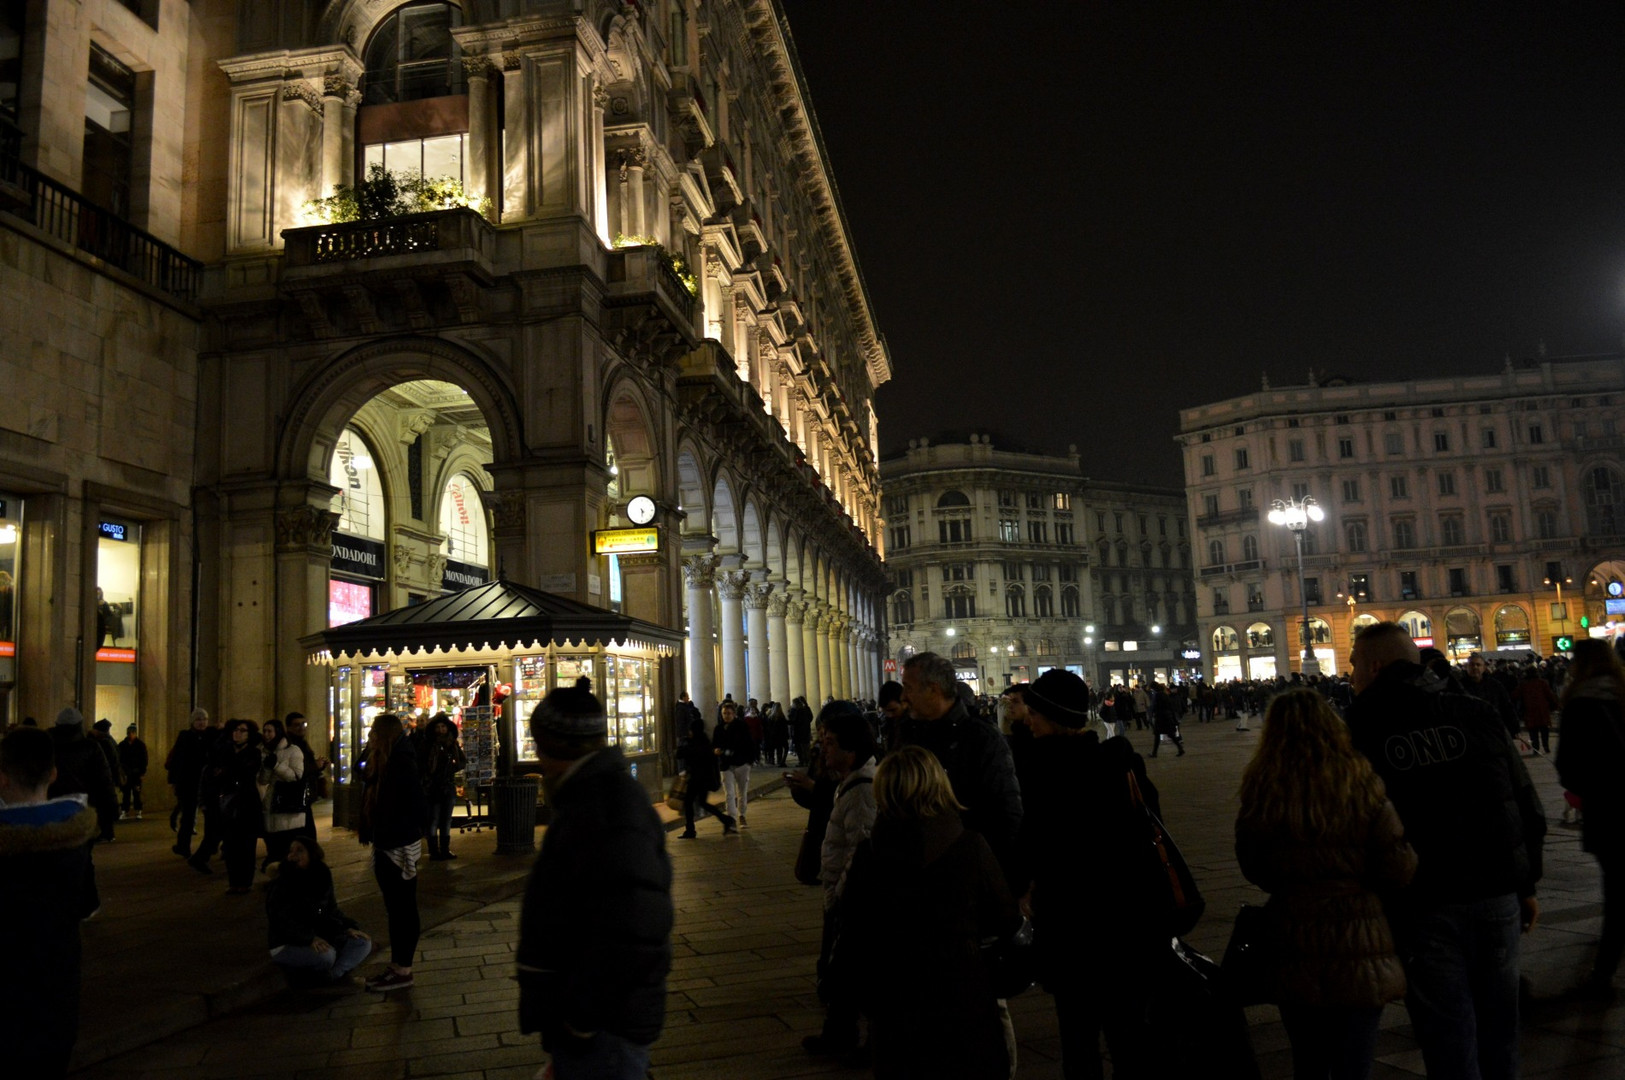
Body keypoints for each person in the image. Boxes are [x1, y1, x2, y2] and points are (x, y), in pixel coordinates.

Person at [1345, 622, 1546, 1080]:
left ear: (1375, 667)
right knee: (1500, 1030)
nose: (1350, 674)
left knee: (1448, 1036)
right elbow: (1525, 802)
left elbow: (1355, 822)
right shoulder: (1474, 709)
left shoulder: (1360, 727)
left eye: (1355, 664)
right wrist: (1527, 883)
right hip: (1497, 895)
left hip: (1422, 902)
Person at [1236, 689, 1417, 1080]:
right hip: (1360, 935)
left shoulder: (1262, 788)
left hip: (1292, 934)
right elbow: (1399, 867)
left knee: (1309, 1063)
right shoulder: (1362, 782)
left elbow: (1254, 867)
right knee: (1355, 1065)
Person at [833, 744, 1022, 1080]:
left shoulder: (869, 856)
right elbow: (1006, 918)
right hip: (965, 994)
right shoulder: (970, 846)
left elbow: (852, 927)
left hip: (895, 1000)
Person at [517, 677, 673, 1079]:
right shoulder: (597, 798)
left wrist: (579, 1022)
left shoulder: (601, 808)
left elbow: (629, 926)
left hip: (602, 1026)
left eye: (539, 744)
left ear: (553, 745)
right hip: (599, 1020)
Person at [1015, 669, 1165, 1079]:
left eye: (1034, 713)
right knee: (1129, 1033)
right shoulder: (1122, 763)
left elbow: (1034, 846)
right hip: (1128, 922)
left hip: (1072, 927)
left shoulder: (1044, 770)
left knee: (1078, 1038)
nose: (1027, 720)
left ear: (1054, 717)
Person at [0, 726, 101, 1079]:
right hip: (57, 995)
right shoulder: (75, 835)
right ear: (54, 773)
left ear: (2, 778)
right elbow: (87, 904)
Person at [898, 652, 1023, 892]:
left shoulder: (981, 739)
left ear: (933, 690)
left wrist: (1007, 885)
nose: (903, 697)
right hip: (917, 877)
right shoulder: (908, 734)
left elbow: (1007, 814)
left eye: (908, 688)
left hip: (967, 878)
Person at [804, 702, 879, 1062]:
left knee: (853, 968)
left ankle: (860, 1039)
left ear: (851, 750)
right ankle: (840, 1032)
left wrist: (839, 893)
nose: (824, 748)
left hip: (851, 896)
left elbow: (860, 848)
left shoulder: (863, 789)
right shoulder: (850, 782)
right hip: (841, 891)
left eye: (831, 742)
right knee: (846, 968)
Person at [1553, 639, 1625, 997]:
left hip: (1609, 809)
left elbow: (1568, 765)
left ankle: (1604, 971)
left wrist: (1586, 791)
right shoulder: (1622, 693)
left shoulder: (1581, 703)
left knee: (1615, 890)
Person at [358, 712, 427, 992]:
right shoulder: (386, 760)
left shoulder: (401, 763)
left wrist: (392, 833)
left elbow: (414, 807)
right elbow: (360, 769)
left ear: (384, 735)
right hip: (389, 842)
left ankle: (402, 969)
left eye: (374, 731)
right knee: (397, 908)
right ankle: (399, 966)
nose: (370, 735)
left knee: (402, 909)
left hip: (397, 845)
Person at [266, 836, 372, 987]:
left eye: (300, 850)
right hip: (287, 943)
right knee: (327, 956)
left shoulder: (321, 876)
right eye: (291, 851)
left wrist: (347, 927)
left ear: (312, 854)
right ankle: (331, 976)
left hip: (319, 935)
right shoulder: (283, 882)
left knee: (362, 943)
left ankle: (331, 977)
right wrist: (309, 939)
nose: (293, 855)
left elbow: (330, 910)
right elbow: (281, 921)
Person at [50, 707, 117, 843]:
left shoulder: (47, 746)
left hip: (53, 806)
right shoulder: (90, 747)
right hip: (83, 806)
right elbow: (104, 780)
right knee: (83, 851)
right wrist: (111, 807)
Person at [214, 719, 265, 894]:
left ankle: (245, 882)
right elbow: (217, 773)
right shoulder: (225, 750)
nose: (238, 733)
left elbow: (245, 771)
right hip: (229, 803)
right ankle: (233, 881)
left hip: (247, 803)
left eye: (243, 730)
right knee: (230, 845)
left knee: (247, 845)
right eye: (236, 730)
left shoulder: (254, 753)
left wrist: (228, 770)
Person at [166, 707, 216, 857]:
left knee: (210, 818)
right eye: (198, 720)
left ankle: (210, 847)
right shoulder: (185, 736)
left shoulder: (211, 735)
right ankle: (183, 847)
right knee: (187, 818)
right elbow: (177, 760)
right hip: (189, 783)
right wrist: (174, 781)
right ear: (192, 722)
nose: (201, 722)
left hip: (206, 784)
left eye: (204, 719)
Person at [258, 717, 306, 870]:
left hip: (287, 803)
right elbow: (263, 780)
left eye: (269, 731)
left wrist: (276, 765)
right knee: (272, 843)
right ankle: (275, 874)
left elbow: (296, 776)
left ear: (278, 732)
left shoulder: (293, 750)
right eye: (264, 731)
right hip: (270, 802)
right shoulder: (264, 751)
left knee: (285, 844)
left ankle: (285, 875)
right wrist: (266, 767)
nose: (266, 734)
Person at [418, 713, 466, 860]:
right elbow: (422, 764)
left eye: (443, 726)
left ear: (447, 728)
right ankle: (434, 851)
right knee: (434, 818)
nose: (440, 730)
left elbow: (461, 762)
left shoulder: (452, 744)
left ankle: (445, 849)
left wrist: (452, 769)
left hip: (448, 785)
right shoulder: (427, 744)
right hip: (433, 786)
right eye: (438, 727)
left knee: (446, 819)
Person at [676, 715, 734, 837]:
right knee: (703, 803)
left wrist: (684, 742)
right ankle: (726, 820)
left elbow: (680, 754)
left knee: (688, 803)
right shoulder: (705, 741)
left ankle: (690, 830)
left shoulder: (693, 743)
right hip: (705, 779)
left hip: (696, 779)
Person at [713, 699, 757, 826]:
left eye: (729, 713)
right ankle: (731, 819)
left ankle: (742, 814)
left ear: (734, 714)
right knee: (729, 793)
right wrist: (715, 750)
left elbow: (749, 743)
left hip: (741, 763)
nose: (726, 716)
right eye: (724, 713)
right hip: (726, 764)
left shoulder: (741, 726)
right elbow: (715, 743)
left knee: (742, 791)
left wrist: (749, 761)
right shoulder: (719, 728)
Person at [1464, 652, 1520, 739]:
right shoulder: (1459, 687)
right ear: (1466, 667)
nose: (1475, 667)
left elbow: (1506, 707)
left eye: (1478, 665)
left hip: (1493, 731)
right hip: (1469, 733)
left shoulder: (1495, 686)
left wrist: (1514, 728)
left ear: (1484, 667)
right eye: (1472, 665)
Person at [1513, 667, 1558, 755]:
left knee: (1533, 731)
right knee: (1544, 729)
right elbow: (1550, 695)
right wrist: (1554, 706)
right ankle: (1546, 746)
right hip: (1542, 710)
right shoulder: (1542, 682)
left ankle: (1536, 748)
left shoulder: (1524, 684)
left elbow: (1515, 695)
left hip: (1529, 710)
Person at [116, 723, 147, 820]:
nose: (130, 735)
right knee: (126, 793)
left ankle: (138, 810)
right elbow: (119, 759)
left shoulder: (140, 745)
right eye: (129, 733)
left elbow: (144, 759)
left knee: (136, 792)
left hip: (136, 773)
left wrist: (142, 772)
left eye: (132, 733)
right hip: (126, 773)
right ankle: (125, 810)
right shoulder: (122, 745)